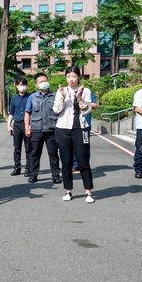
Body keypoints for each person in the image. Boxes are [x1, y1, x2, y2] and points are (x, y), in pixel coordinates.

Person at [51, 67, 96, 204]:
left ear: (79, 77)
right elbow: (56, 110)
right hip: (63, 129)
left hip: (81, 129)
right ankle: (68, 190)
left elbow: (87, 110)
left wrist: (80, 99)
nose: (71, 79)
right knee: (66, 161)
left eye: (74, 76)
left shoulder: (86, 91)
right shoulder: (61, 91)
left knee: (83, 160)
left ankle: (88, 192)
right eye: (68, 76)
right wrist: (63, 99)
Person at [24, 73, 58, 186]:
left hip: (51, 129)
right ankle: (33, 175)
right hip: (36, 129)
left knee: (53, 154)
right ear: (36, 85)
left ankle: (56, 175)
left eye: (45, 81)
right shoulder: (32, 97)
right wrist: (27, 128)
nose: (44, 83)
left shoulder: (55, 95)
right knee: (35, 153)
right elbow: (27, 113)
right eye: (41, 82)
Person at [7, 78, 30, 176]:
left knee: (29, 148)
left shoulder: (31, 97)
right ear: (16, 86)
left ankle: (28, 168)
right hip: (16, 124)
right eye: (20, 84)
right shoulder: (14, 98)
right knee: (17, 148)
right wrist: (8, 125)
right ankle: (17, 167)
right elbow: (11, 113)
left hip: (27, 124)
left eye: (24, 84)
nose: (22, 86)